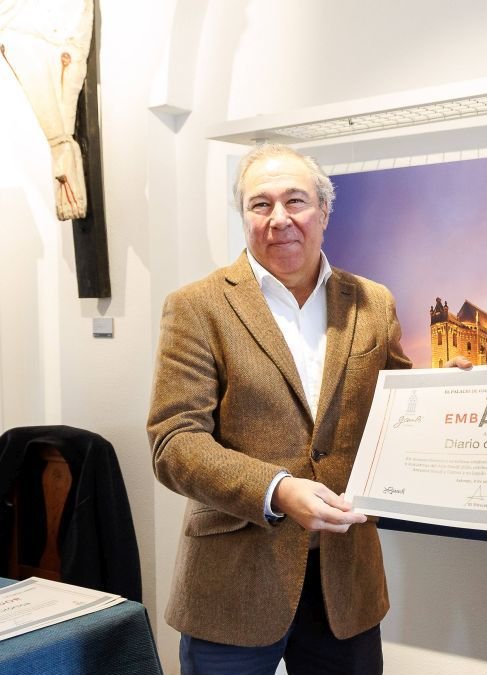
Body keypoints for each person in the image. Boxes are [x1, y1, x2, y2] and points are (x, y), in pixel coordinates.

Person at [147, 143, 410, 675]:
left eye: (295, 201)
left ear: (324, 212)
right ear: (243, 215)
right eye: (260, 204)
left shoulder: (373, 302)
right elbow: (174, 442)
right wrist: (278, 490)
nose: (279, 219)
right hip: (233, 585)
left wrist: (463, 388)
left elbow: (402, 408)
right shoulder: (196, 307)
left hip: (346, 584)